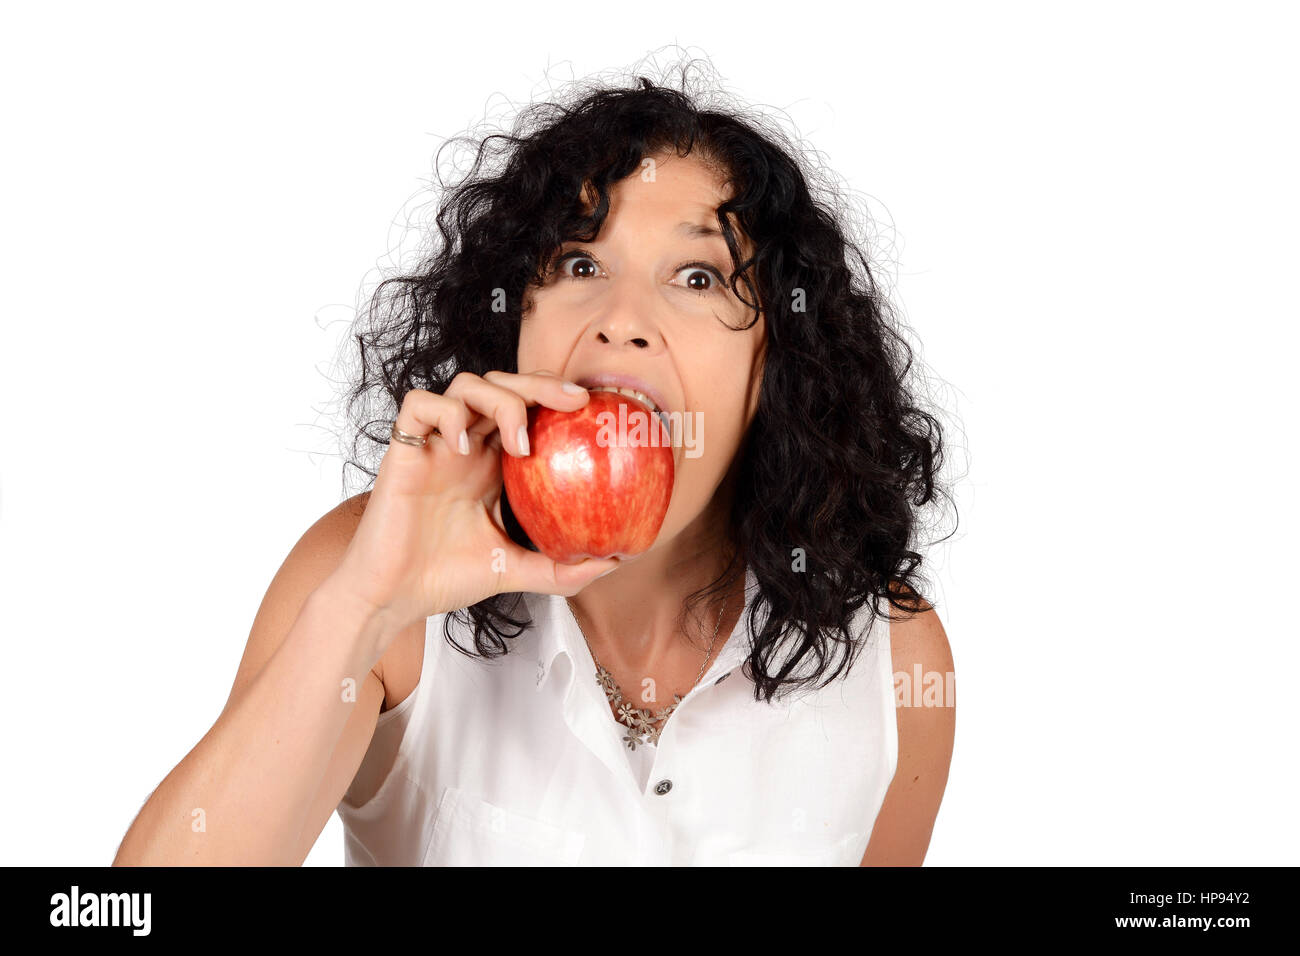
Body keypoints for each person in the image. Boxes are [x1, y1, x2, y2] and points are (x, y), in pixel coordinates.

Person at [113, 59, 956, 867]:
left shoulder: (894, 663)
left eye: (698, 276)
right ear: (516, 319)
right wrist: (365, 606)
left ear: (777, 360)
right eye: (579, 263)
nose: (623, 318)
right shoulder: (375, 579)